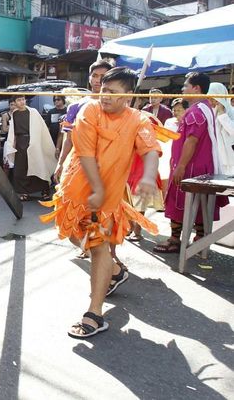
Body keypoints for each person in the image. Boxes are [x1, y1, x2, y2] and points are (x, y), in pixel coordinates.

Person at [40, 68, 160, 338]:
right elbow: (85, 153)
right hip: (75, 193)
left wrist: (149, 176)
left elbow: (150, 149)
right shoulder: (90, 110)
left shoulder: (139, 120)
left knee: (98, 248)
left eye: (113, 92)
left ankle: (94, 313)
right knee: (74, 236)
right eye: (104, 90)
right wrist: (94, 188)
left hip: (106, 200)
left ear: (127, 96)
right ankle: (115, 272)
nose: (105, 96)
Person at [156, 72, 228, 253]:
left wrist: (181, 166)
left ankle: (175, 240)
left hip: (190, 167)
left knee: (179, 200)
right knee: (200, 204)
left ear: (196, 88)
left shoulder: (196, 111)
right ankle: (199, 239)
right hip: (199, 166)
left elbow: (192, 140)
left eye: (185, 86)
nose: (182, 89)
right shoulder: (205, 109)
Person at [55, 59, 115, 182]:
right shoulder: (75, 106)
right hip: (80, 163)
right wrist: (61, 163)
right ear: (89, 78)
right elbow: (68, 139)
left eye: (103, 76)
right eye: (95, 76)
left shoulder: (117, 106)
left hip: (110, 165)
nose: (98, 80)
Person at [3, 95, 56, 201]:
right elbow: (13, 131)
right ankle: (24, 192)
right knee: (21, 169)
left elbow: (41, 128)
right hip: (20, 143)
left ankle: (44, 191)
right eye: (19, 100)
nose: (22, 102)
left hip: (34, 142)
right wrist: (12, 144)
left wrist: (37, 142)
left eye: (23, 99)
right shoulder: (15, 114)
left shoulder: (33, 112)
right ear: (15, 102)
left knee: (39, 165)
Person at [207, 82, 234, 176]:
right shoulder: (212, 113)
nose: (210, 102)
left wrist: (223, 114)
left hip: (231, 160)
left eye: (212, 99)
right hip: (219, 160)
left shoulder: (231, 112)